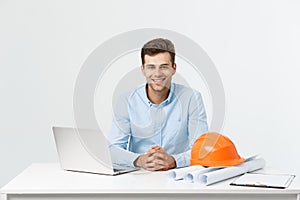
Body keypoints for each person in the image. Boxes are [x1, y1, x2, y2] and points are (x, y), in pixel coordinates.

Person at [108, 38, 208, 171]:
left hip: (178, 176)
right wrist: (140, 160)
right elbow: (112, 150)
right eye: (151, 67)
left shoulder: (191, 98)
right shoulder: (126, 100)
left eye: (164, 67)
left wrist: (174, 161)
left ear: (174, 68)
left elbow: (202, 150)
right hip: (138, 177)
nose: (157, 73)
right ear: (143, 69)